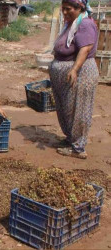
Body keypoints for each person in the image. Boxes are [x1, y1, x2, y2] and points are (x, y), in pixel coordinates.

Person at [50, 0, 98, 159]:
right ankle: (71, 139)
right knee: (67, 110)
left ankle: (78, 148)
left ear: (80, 8)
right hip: (67, 73)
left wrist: (75, 69)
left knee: (78, 110)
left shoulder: (85, 24)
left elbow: (85, 48)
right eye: (62, 9)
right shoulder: (71, 23)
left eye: (68, 9)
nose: (64, 12)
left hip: (81, 73)